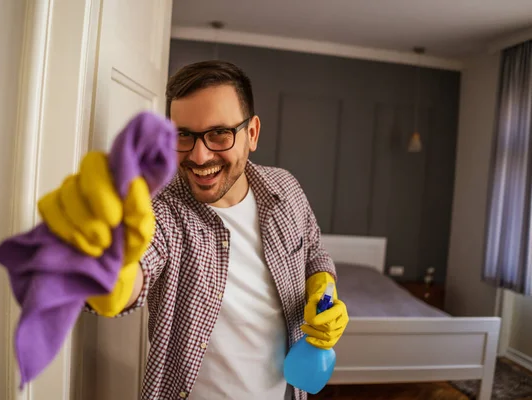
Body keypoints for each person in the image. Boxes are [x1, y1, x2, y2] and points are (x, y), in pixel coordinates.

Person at [42, 60, 349, 400]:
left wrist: (324, 285)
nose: (199, 156)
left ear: (252, 133)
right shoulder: (159, 208)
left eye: (219, 133)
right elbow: (130, 275)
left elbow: (314, 251)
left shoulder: (285, 188)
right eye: (183, 136)